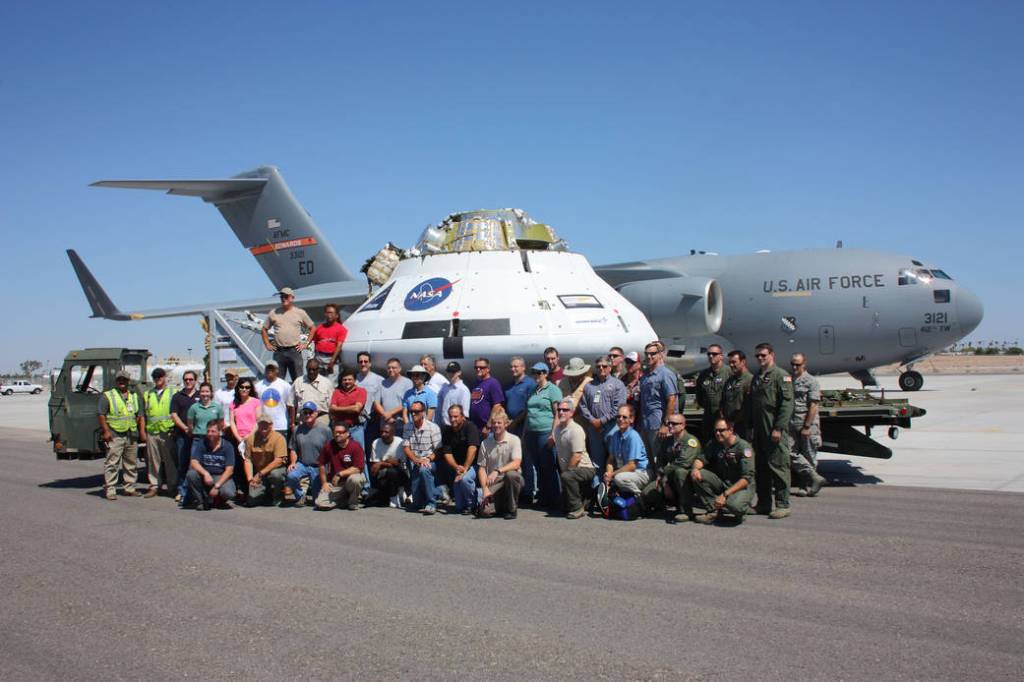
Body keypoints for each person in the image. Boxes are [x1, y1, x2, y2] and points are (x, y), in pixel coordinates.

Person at [751, 342, 794, 519]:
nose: (761, 358)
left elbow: (786, 405)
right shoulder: (757, 377)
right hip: (760, 431)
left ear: (772, 355)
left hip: (774, 430)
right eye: (758, 356)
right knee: (761, 469)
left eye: (764, 355)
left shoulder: (781, 376)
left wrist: (778, 428)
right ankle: (763, 503)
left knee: (779, 467)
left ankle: (783, 505)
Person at [690, 418, 755, 524]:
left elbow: (746, 478)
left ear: (731, 430)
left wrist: (724, 495)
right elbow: (701, 458)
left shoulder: (744, 447)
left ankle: (742, 509)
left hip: (741, 486)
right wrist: (695, 469)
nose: (718, 433)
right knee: (698, 474)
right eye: (716, 430)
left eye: (721, 430)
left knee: (734, 506)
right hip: (723, 482)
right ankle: (713, 511)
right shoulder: (714, 443)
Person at [97, 370, 144, 500]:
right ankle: (110, 489)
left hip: (131, 434)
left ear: (128, 381)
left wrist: (138, 430)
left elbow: (139, 415)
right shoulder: (108, 396)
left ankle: (129, 487)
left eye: (124, 380)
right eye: (119, 380)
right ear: (116, 381)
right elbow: (101, 414)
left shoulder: (134, 396)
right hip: (115, 434)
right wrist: (106, 431)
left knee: (131, 463)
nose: (122, 382)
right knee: (112, 462)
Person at [579, 355, 626, 482]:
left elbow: (619, 407)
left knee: (615, 459)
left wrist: (602, 421)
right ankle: (597, 491)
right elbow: (583, 405)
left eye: (604, 366)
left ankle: (614, 490)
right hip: (594, 428)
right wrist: (593, 420)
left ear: (610, 368)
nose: (601, 368)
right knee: (596, 460)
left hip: (612, 427)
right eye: (598, 366)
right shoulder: (589, 386)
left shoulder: (618, 384)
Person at [524, 362, 563, 509]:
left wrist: (553, 434)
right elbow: (528, 413)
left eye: (539, 373)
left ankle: (555, 498)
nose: (536, 375)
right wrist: (524, 434)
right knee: (538, 466)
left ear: (545, 373)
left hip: (545, 431)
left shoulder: (552, 390)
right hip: (531, 432)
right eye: (534, 372)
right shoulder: (533, 390)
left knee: (549, 466)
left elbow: (557, 414)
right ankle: (544, 497)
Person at [787, 353, 827, 497]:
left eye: (797, 364)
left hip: (807, 424)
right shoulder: (789, 380)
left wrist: (807, 426)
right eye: (792, 364)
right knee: (789, 452)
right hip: (792, 424)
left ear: (804, 364)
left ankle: (806, 485)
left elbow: (814, 405)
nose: (794, 367)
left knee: (809, 455)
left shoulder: (811, 381)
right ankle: (815, 478)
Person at [477, 407, 524, 519]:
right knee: (485, 512)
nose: (496, 425)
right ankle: (501, 504)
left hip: (511, 480)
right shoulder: (485, 443)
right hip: (494, 483)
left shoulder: (514, 439)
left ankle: (512, 509)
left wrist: (497, 471)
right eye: (494, 423)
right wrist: (485, 489)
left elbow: (516, 463)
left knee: (511, 475)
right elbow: (482, 469)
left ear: (506, 424)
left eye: (499, 423)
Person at [655, 414, 703, 523]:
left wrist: (663, 475)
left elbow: (683, 463)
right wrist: (662, 479)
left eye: (674, 424)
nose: (670, 426)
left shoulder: (691, 441)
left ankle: (686, 510)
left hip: (688, 479)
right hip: (669, 477)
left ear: (683, 425)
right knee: (649, 492)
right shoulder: (667, 440)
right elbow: (660, 460)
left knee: (680, 472)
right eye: (668, 423)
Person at [261, 287, 315, 381]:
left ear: (292, 298)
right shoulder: (273, 313)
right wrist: (267, 344)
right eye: (281, 296)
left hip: (294, 350)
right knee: (277, 381)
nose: (283, 298)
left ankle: (298, 396)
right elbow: (264, 329)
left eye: (286, 296)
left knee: (298, 380)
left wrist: (306, 344)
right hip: (279, 351)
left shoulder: (300, 313)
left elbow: (313, 328)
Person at [553, 399, 596, 519]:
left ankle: (577, 508)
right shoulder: (557, 429)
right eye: (559, 410)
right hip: (571, 470)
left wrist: (566, 474)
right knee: (561, 506)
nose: (561, 412)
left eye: (565, 410)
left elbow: (577, 457)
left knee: (567, 477)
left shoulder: (575, 430)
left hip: (585, 469)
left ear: (572, 413)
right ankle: (586, 498)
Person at [283, 404, 332, 505]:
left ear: (316, 413)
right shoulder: (297, 429)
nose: (308, 415)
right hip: (303, 464)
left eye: (311, 412)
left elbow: (331, 450)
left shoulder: (325, 429)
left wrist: (328, 467)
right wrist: (292, 462)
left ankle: (316, 494)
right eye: (305, 413)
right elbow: (293, 449)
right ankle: (300, 496)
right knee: (291, 475)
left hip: (319, 467)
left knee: (317, 501)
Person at [638, 341, 678, 461]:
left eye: (653, 353)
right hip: (646, 424)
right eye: (647, 354)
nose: (649, 356)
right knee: (648, 459)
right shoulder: (645, 377)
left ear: (660, 354)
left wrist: (666, 425)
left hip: (658, 425)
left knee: (659, 459)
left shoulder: (666, 374)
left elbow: (672, 399)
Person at [437, 404, 480, 513]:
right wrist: (457, 467)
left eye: (456, 416)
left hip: (474, 465)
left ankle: (473, 505)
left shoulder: (470, 427)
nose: (452, 419)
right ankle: (468, 502)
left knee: (465, 479)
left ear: (462, 416)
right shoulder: (447, 431)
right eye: (450, 416)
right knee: (459, 507)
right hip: (459, 467)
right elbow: (447, 453)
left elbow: (473, 448)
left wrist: (465, 469)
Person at [402, 400, 443, 514]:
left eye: (416, 411)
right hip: (416, 461)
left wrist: (428, 459)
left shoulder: (433, 427)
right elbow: (406, 447)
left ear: (423, 412)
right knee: (417, 503)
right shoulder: (407, 427)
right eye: (411, 412)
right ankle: (439, 492)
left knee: (424, 470)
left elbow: (439, 449)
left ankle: (431, 504)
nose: (413, 414)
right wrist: (415, 460)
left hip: (431, 461)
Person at [186, 421, 236, 510]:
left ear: (220, 432)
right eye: (208, 431)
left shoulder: (227, 446)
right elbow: (194, 462)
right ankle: (201, 501)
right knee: (191, 474)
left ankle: (219, 501)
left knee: (229, 493)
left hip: (220, 475)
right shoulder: (202, 443)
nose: (209, 434)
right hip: (206, 476)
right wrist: (205, 473)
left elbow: (230, 470)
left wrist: (217, 486)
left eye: (213, 431)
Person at [315, 423, 366, 511]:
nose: (337, 434)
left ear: (347, 433)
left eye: (341, 432)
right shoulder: (329, 445)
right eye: (335, 432)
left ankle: (353, 502)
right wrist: (324, 483)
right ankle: (343, 500)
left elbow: (358, 468)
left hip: (350, 480)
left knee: (356, 479)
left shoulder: (355, 446)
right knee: (320, 503)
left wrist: (340, 474)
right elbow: (321, 464)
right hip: (336, 484)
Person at [142, 367, 176, 497]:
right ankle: (154, 486)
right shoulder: (148, 394)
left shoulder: (173, 392)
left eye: (160, 376)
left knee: (170, 461)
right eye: (155, 377)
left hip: (167, 431)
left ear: (164, 377)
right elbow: (143, 415)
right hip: (152, 431)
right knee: (153, 461)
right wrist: (143, 432)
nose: (158, 379)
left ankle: (172, 486)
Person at [604, 404, 649, 498]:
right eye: (618, 416)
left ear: (631, 419)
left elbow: (632, 466)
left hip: (640, 472)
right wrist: (608, 474)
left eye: (624, 417)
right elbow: (610, 459)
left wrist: (612, 475)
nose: (620, 419)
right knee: (611, 479)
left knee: (619, 479)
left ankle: (640, 498)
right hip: (626, 473)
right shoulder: (615, 435)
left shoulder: (633, 436)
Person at [242, 415, 288, 506]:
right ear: (258, 425)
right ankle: (266, 493)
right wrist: (250, 479)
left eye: (266, 424)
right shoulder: (251, 439)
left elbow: (278, 461)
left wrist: (259, 474)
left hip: (274, 470)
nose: (263, 426)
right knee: (252, 500)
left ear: (271, 425)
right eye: (261, 424)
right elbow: (247, 460)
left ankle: (278, 496)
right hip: (259, 472)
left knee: (276, 475)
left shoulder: (279, 438)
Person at [170, 370, 201, 504]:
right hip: (182, 436)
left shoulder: (201, 395)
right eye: (186, 379)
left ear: (195, 381)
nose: (188, 381)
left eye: (191, 379)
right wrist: (185, 428)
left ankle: (195, 492)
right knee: (182, 464)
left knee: (195, 465)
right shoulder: (177, 396)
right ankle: (182, 491)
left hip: (198, 436)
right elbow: (174, 415)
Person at [695, 344, 731, 443]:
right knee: (708, 441)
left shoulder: (729, 372)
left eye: (714, 354)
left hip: (724, 415)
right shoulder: (704, 374)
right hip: (708, 415)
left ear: (721, 356)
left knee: (725, 441)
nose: (711, 356)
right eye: (709, 354)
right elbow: (699, 395)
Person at [367, 421, 407, 507]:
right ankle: (390, 496)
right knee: (377, 472)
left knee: (391, 471)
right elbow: (375, 466)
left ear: (393, 433)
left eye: (386, 432)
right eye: (381, 432)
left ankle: (396, 494)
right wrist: (387, 462)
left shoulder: (399, 442)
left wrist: (382, 463)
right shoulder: (376, 442)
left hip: (400, 473)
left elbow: (398, 463)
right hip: (383, 474)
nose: (383, 434)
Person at [255, 361, 292, 440]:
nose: (270, 370)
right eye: (268, 368)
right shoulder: (258, 386)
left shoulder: (285, 385)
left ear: (277, 370)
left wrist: (291, 422)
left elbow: (290, 405)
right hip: (264, 426)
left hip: (281, 426)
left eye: (272, 368)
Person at [356, 351, 385, 452]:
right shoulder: (354, 380)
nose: (363, 363)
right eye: (360, 361)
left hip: (373, 420)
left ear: (370, 363)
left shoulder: (379, 380)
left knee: (371, 449)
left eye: (365, 361)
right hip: (357, 421)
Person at [330, 367, 367, 446]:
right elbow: (332, 409)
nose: (347, 382)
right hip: (340, 430)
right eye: (345, 380)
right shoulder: (336, 392)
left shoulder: (361, 391)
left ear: (354, 380)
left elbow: (357, 409)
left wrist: (338, 409)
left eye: (349, 379)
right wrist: (351, 408)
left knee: (359, 453)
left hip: (355, 429)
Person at [309, 303, 347, 378]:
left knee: (331, 384)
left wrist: (332, 361)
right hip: (318, 359)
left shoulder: (341, 329)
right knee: (318, 383)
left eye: (331, 313)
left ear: (336, 315)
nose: (329, 315)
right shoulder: (319, 328)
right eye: (327, 312)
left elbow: (339, 346)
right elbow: (315, 343)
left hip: (332, 359)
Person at [292, 358, 333, 427]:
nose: (311, 372)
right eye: (309, 369)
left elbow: (331, 405)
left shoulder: (327, 383)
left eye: (314, 369)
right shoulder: (298, 382)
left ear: (318, 369)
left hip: (321, 418)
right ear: (306, 368)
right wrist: (292, 423)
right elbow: (292, 404)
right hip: (304, 417)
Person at [722, 350, 754, 439]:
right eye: (730, 362)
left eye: (734, 362)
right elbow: (724, 401)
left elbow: (749, 406)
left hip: (744, 426)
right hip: (729, 425)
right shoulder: (730, 381)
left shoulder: (750, 380)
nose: (731, 365)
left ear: (743, 362)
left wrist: (735, 421)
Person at [376, 358, 413, 432]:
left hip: (401, 424)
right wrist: (386, 416)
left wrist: (391, 413)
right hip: (385, 425)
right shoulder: (382, 383)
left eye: (394, 368)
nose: (391, 370)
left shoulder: (407, 383)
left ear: (400, 369)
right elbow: (376, 403)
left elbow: (408, 402)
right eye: (389, 368)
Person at [469, 357, 504, 434]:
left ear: (488, 369)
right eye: (476, 367)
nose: (478, 369)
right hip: (475, 427)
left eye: (481, 367)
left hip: (487, 428)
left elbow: (497, 406)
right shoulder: (476, 383)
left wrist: (488, 425)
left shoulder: (493, 383)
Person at [503, 356, 536, 437]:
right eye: (511, 367)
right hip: (510, 426)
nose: (513, 369)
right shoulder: (508, 385)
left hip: (524, 426)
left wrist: (515, 422)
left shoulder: (530, 384)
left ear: (523, 367)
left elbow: (530, 407)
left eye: (515, 366)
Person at [435, 361, 471, 428]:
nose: (450, 374)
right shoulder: (445, 388)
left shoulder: (463, 390)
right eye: (449, 372)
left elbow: (464, 414)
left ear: (459, 373)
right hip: (444, 426)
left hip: (456, 427)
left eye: (453, 372)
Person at [213, 369, 238, 434]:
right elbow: (216, 410)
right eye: (228, 376)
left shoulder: (241, 391)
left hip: (239, 427)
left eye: (232, 376)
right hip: (226, 428)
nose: (230, 378)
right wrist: (222, 423)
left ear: (236, 378)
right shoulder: (219, 393)